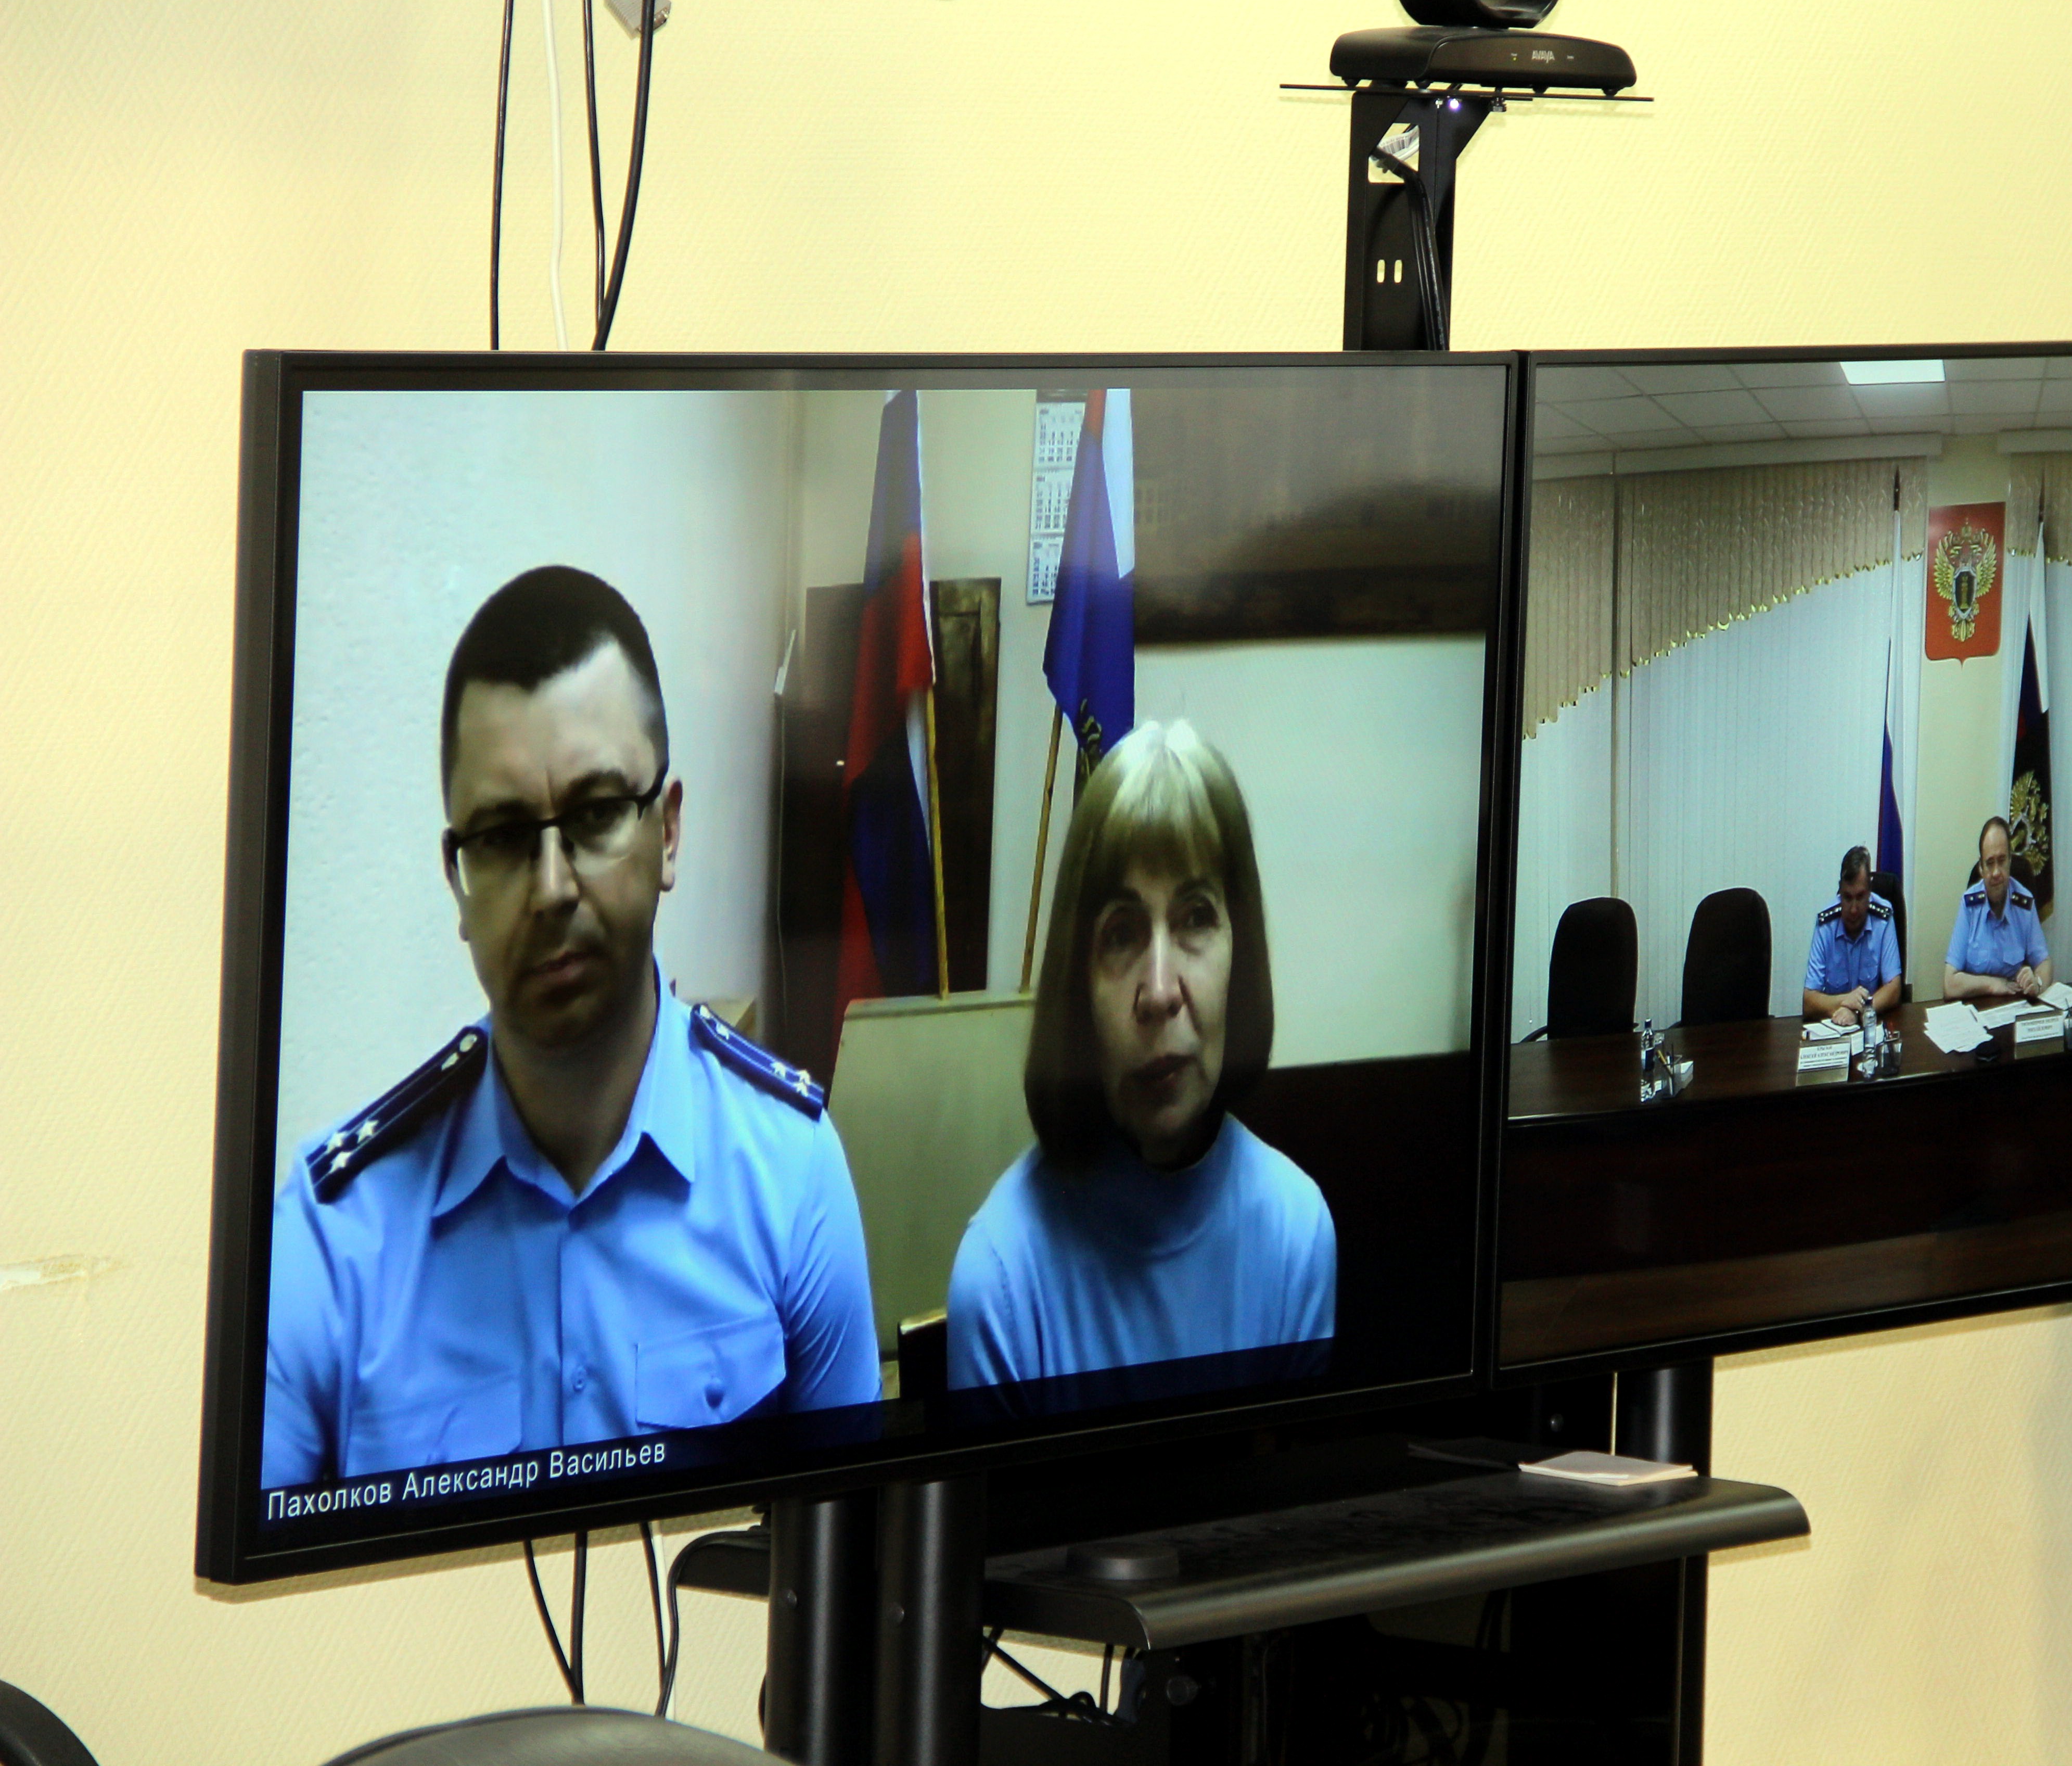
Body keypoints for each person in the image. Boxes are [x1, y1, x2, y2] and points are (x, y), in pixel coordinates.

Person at [263, 567, 880, 1489]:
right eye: (503, 836)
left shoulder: (790, 1178)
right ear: (457, 881)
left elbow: (845, 1549)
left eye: (595, 815)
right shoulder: (331, 1243)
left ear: (668, 832)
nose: (551, 888)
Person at [947, 719, 1336, 1391]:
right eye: (1122, 934)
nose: (1159, 993)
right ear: (1078, 985)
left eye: (1196, 918)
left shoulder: (1296, 1234)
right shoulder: (1002, 1279)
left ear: (1241, 954)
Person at [1945, 816, 2052, 1000]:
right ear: (1981, 868)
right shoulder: (1970, 905)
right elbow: (1949, 985)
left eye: (2002, 861)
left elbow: (2045, 963)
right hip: (1976, 1009)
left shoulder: (2024, 904)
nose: (1996, 873)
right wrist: (1993, 985)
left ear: (2010, 861)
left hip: (2014, 1005)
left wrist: (2038, 983)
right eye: (1990, 863)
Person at [1801, 845, 1902, 1026]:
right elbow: (1809, 1001)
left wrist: (1859, 1010)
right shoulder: (1826, 924)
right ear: (1840, 892)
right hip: (1836, 1025)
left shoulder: (1883, 918)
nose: (1854, 909)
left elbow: (1894, 989)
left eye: (1861, 897)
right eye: (1847, 898)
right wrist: (1845, 1002)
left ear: (1870, 892)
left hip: (1870, 1025)